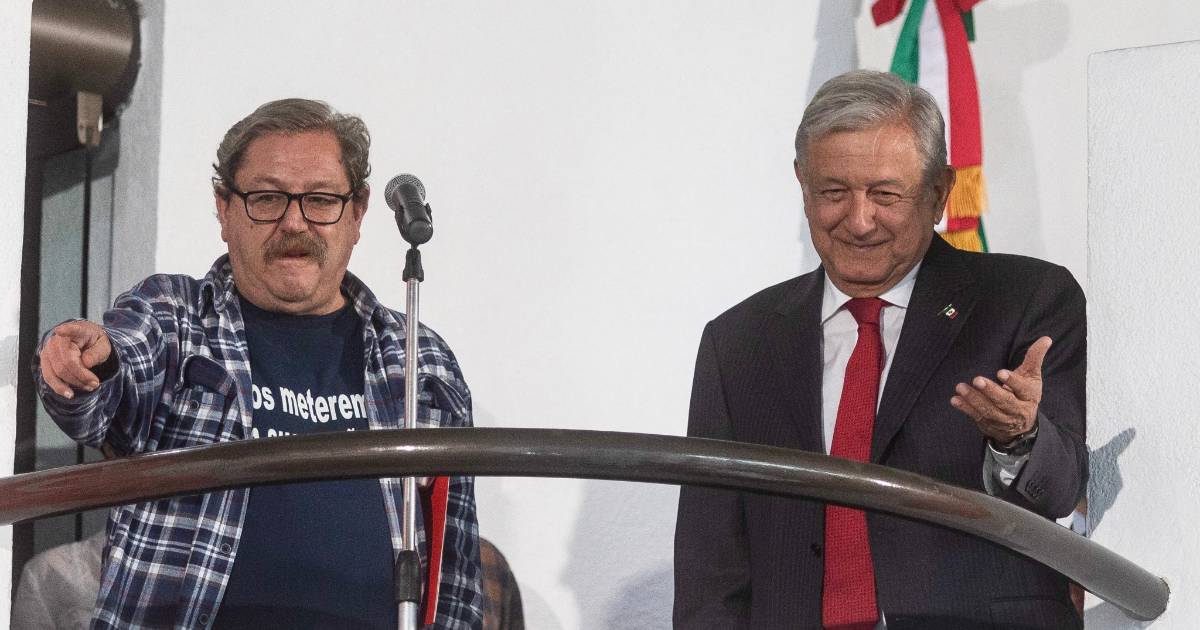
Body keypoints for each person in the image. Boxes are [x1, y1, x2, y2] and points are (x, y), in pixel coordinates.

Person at [34, 99, 484, 629]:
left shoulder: (421, 362)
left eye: (320, 200)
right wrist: (91, 362)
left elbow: (455, 579)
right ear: (224, 209)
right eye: (267, 198)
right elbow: (109, 391)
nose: (294, 222)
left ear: (358, 213)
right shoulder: (176, 318)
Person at [673, 70, 1086, 630]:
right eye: (833, 193)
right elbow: (711, 559)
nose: (859, 220)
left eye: (885, 195)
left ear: (939, 192)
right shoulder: (739, 341)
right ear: (801, 184)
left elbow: (1065, 490)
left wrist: (1019, 438)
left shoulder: (1025, 300)